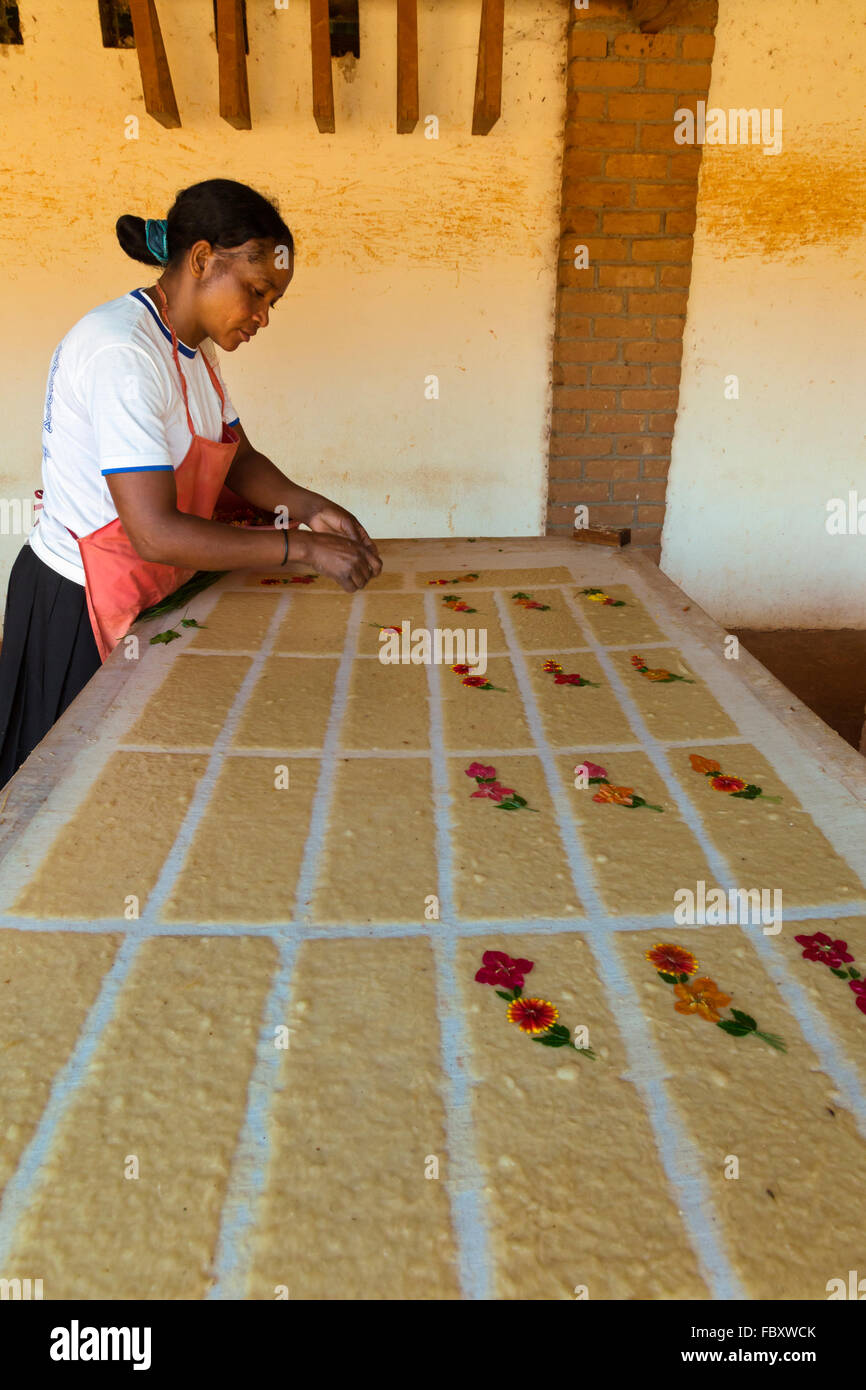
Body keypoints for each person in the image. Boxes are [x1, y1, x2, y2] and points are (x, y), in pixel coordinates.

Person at [0, 177, 381, 787]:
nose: (261, 316)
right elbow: (153, 532)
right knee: (60, 794)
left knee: (124, 782)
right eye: (256, 292)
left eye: (272, 303)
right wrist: (303, 548)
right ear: (203, 259)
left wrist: (312, 508)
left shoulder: (195, 353)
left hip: (144, 589)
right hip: (79, 603)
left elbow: (240, 460)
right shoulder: (123, 350)